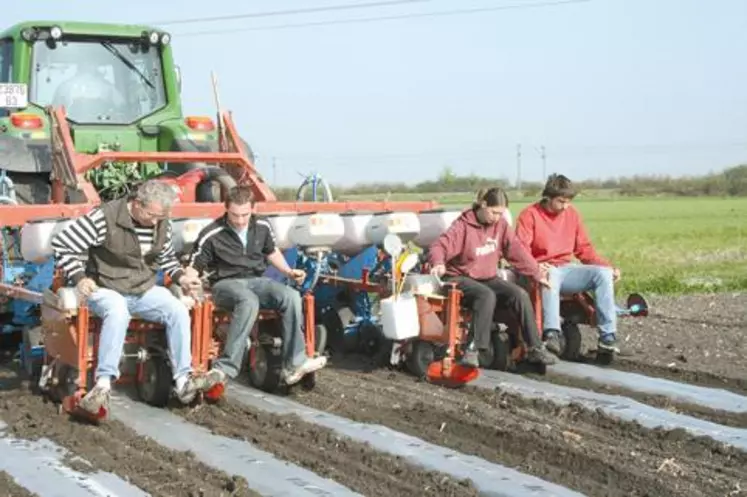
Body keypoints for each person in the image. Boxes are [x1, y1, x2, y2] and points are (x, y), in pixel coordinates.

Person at [50, 180, 225, 416]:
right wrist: (80, 277)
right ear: (137, 204)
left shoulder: (162, 223)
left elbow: (167, 259)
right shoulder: (105, 217)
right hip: (104, 286)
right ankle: (102, 385)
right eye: (152, 215)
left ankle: (184, 380)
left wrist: (181, 277)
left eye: (160, 216)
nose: (155, 221)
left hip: (142, 287)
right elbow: (62, 244)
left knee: (177, 309)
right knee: (118, 310)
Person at [187, 186, 327, 385]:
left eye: (245, 214)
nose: (240, 220)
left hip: (256, 280)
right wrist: (188, 280)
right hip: (225, 284)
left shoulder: (262, 225)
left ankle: (294, 363)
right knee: (248, 300)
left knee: (291, 296)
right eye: (234, 215)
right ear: (226, 208)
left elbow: (271, 252)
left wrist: (288, 271)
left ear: (253, 209)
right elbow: (194, 265)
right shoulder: (212, 233)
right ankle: (225, 368)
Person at [427, 187, 557, 367]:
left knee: (519, 295)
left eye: (501, 213)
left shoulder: (501, 226)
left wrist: (536, 273)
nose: (497, 217)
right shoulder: (463, 226)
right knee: (486, 295)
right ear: (483, 205)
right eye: (494, 212)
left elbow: (516, 251)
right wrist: (438, 262)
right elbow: (439, 246)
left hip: (486, 276)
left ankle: (535, 348)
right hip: (458, 277)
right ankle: (473, 349)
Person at [515, 174, 621, 355]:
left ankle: (607, 337)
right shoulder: (529, 215)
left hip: (565, 268)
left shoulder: (571, 215)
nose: (565, 207)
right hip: (539, 270)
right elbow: (520, 250)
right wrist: (536, 266)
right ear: (548, 197)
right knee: (551, 275)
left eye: (568, 202)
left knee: (602, 274)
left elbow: (584, 250)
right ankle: (552, 333)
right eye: (561, 202)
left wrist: (608, 267)